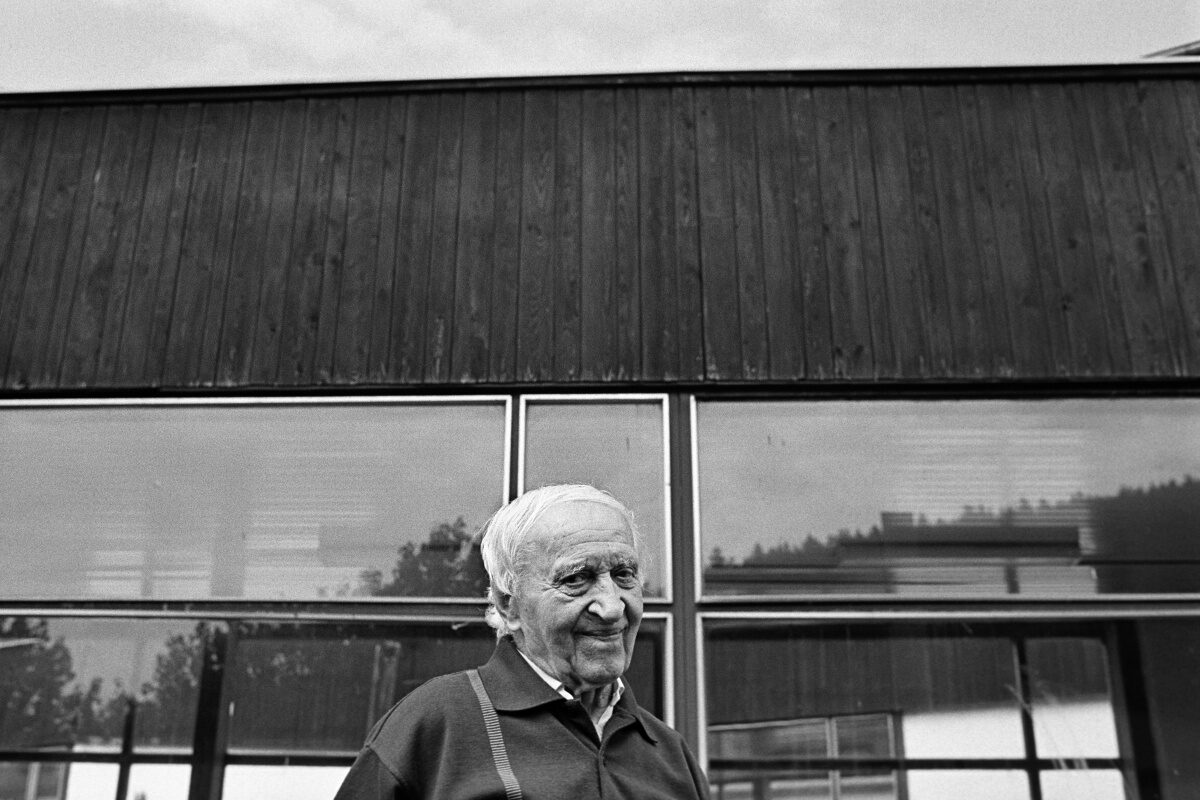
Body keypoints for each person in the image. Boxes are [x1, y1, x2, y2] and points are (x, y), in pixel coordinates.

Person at [333, 484, 710, 800]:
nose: (612, 607)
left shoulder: (670, 753)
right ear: (507, 604)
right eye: (576, 578)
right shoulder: (434, 726)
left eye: (624, 574)